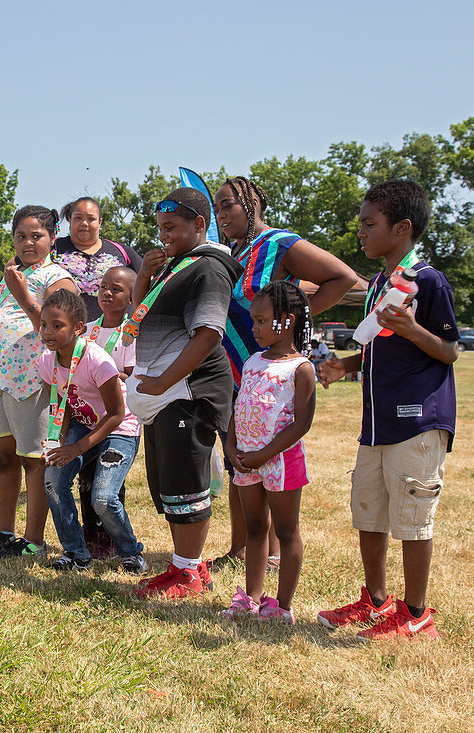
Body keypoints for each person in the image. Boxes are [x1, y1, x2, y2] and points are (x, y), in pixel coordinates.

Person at [317, 181, 457, 640]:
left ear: (402, 228)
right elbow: (382, 350)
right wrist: (348, 366)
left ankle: (416, 613)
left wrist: (414, 329)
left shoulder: (428, 280)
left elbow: (449, 350)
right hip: (376, 424)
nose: (360, 231)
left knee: (413, 519)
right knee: (369, 512)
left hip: (417, 422)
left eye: (369, 224)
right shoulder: (380, 282)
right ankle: (376, 600)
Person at [209, 176, 357, 571]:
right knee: (238, 458)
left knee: (270, 456)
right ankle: (241, 548)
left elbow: (341, 278)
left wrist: (293, 326)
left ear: (252, 202)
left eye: (229, 205)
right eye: (218, 207)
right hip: (237, 371)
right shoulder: (231, 252)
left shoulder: (279, 244)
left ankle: (273, 552)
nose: (222, 214)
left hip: (272, 374)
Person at [126, 188, 242, 600]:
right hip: (164, 393)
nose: (164, 236)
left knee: (187, 482)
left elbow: (210, 332)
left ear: (199, 224)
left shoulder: (207, 269)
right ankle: (181, 566)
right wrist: (143, 277)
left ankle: (190, 574)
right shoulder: (176, 267)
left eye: (171, 227)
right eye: (160, 228)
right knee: (171, 483)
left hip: (187, 391)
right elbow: (137, 320)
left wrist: (162, 381)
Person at [0, 205, 76, 559]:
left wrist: (23, 293)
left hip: (31, 379)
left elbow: (54, 330)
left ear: (53, 237)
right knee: (3, 457)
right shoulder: (10, 275)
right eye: (21, 236)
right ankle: (4, 532)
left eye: (37, 236)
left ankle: (34, 540)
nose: (28, 243)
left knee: (33, 459)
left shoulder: (57, 277)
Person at [220, 282, 315, 624]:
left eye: (261, 321)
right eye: (254, 321)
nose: (255, 328)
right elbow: (239, 406)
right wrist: (232, 446)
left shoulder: (300, 368)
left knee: (286, 531)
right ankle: (251, 597)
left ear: (287, 321)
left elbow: (302, 423)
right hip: (246, 460)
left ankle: (283, 606)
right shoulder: (252, 362)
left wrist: (264, 454)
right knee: (255, 527)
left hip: (280, 462)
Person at [37, 289, 146, 574]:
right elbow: (64, 402)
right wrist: (56, 441)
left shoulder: (97, 360)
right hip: (84, 424)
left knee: (103, 498)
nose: (48, 332)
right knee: (52, 480)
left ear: (77, 328)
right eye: (44, 325)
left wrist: (76, 448)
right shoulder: (47, 361)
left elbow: (117, 414)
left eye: (57, 326)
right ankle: (75, 553)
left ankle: (130, 552)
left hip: (119, 428)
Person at [78, 265, 137, 559]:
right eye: (104, 287)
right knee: (85, 477)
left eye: (116, 289)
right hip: (87, 417)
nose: (107, 293)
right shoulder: (87, 330)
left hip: (118, 420)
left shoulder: (131, 335)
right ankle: (91, 534)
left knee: (109, 481)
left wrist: (103, 376)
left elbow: (131, 375)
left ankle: (113, 537)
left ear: (130, 298)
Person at [52, 197, 142, 321]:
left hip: (118, 335)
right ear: (69, 219)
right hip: (67, 333)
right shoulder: (51, 248)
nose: (84, 223)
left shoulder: (122, 250)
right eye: (78, 218)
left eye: (91, 219)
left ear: (100, 222)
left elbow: (147, 283)